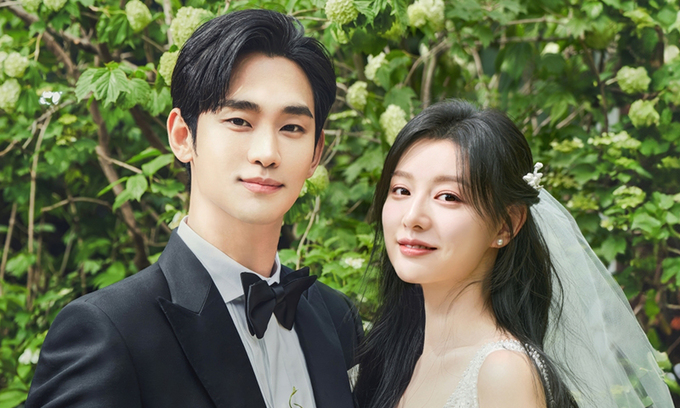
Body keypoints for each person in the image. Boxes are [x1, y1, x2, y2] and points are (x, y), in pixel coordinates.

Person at [27, 9, 362, 408]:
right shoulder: (110, 330)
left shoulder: (336, 317)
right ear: (183, 136)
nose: (267, 153)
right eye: (239, 121)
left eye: (292, 127)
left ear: (316, 153)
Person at [353, 100, 673, 408]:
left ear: (506, 225)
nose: (412, 217)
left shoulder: (503, 371)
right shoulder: (386, 357)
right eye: (401, 190)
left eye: (448, 196)